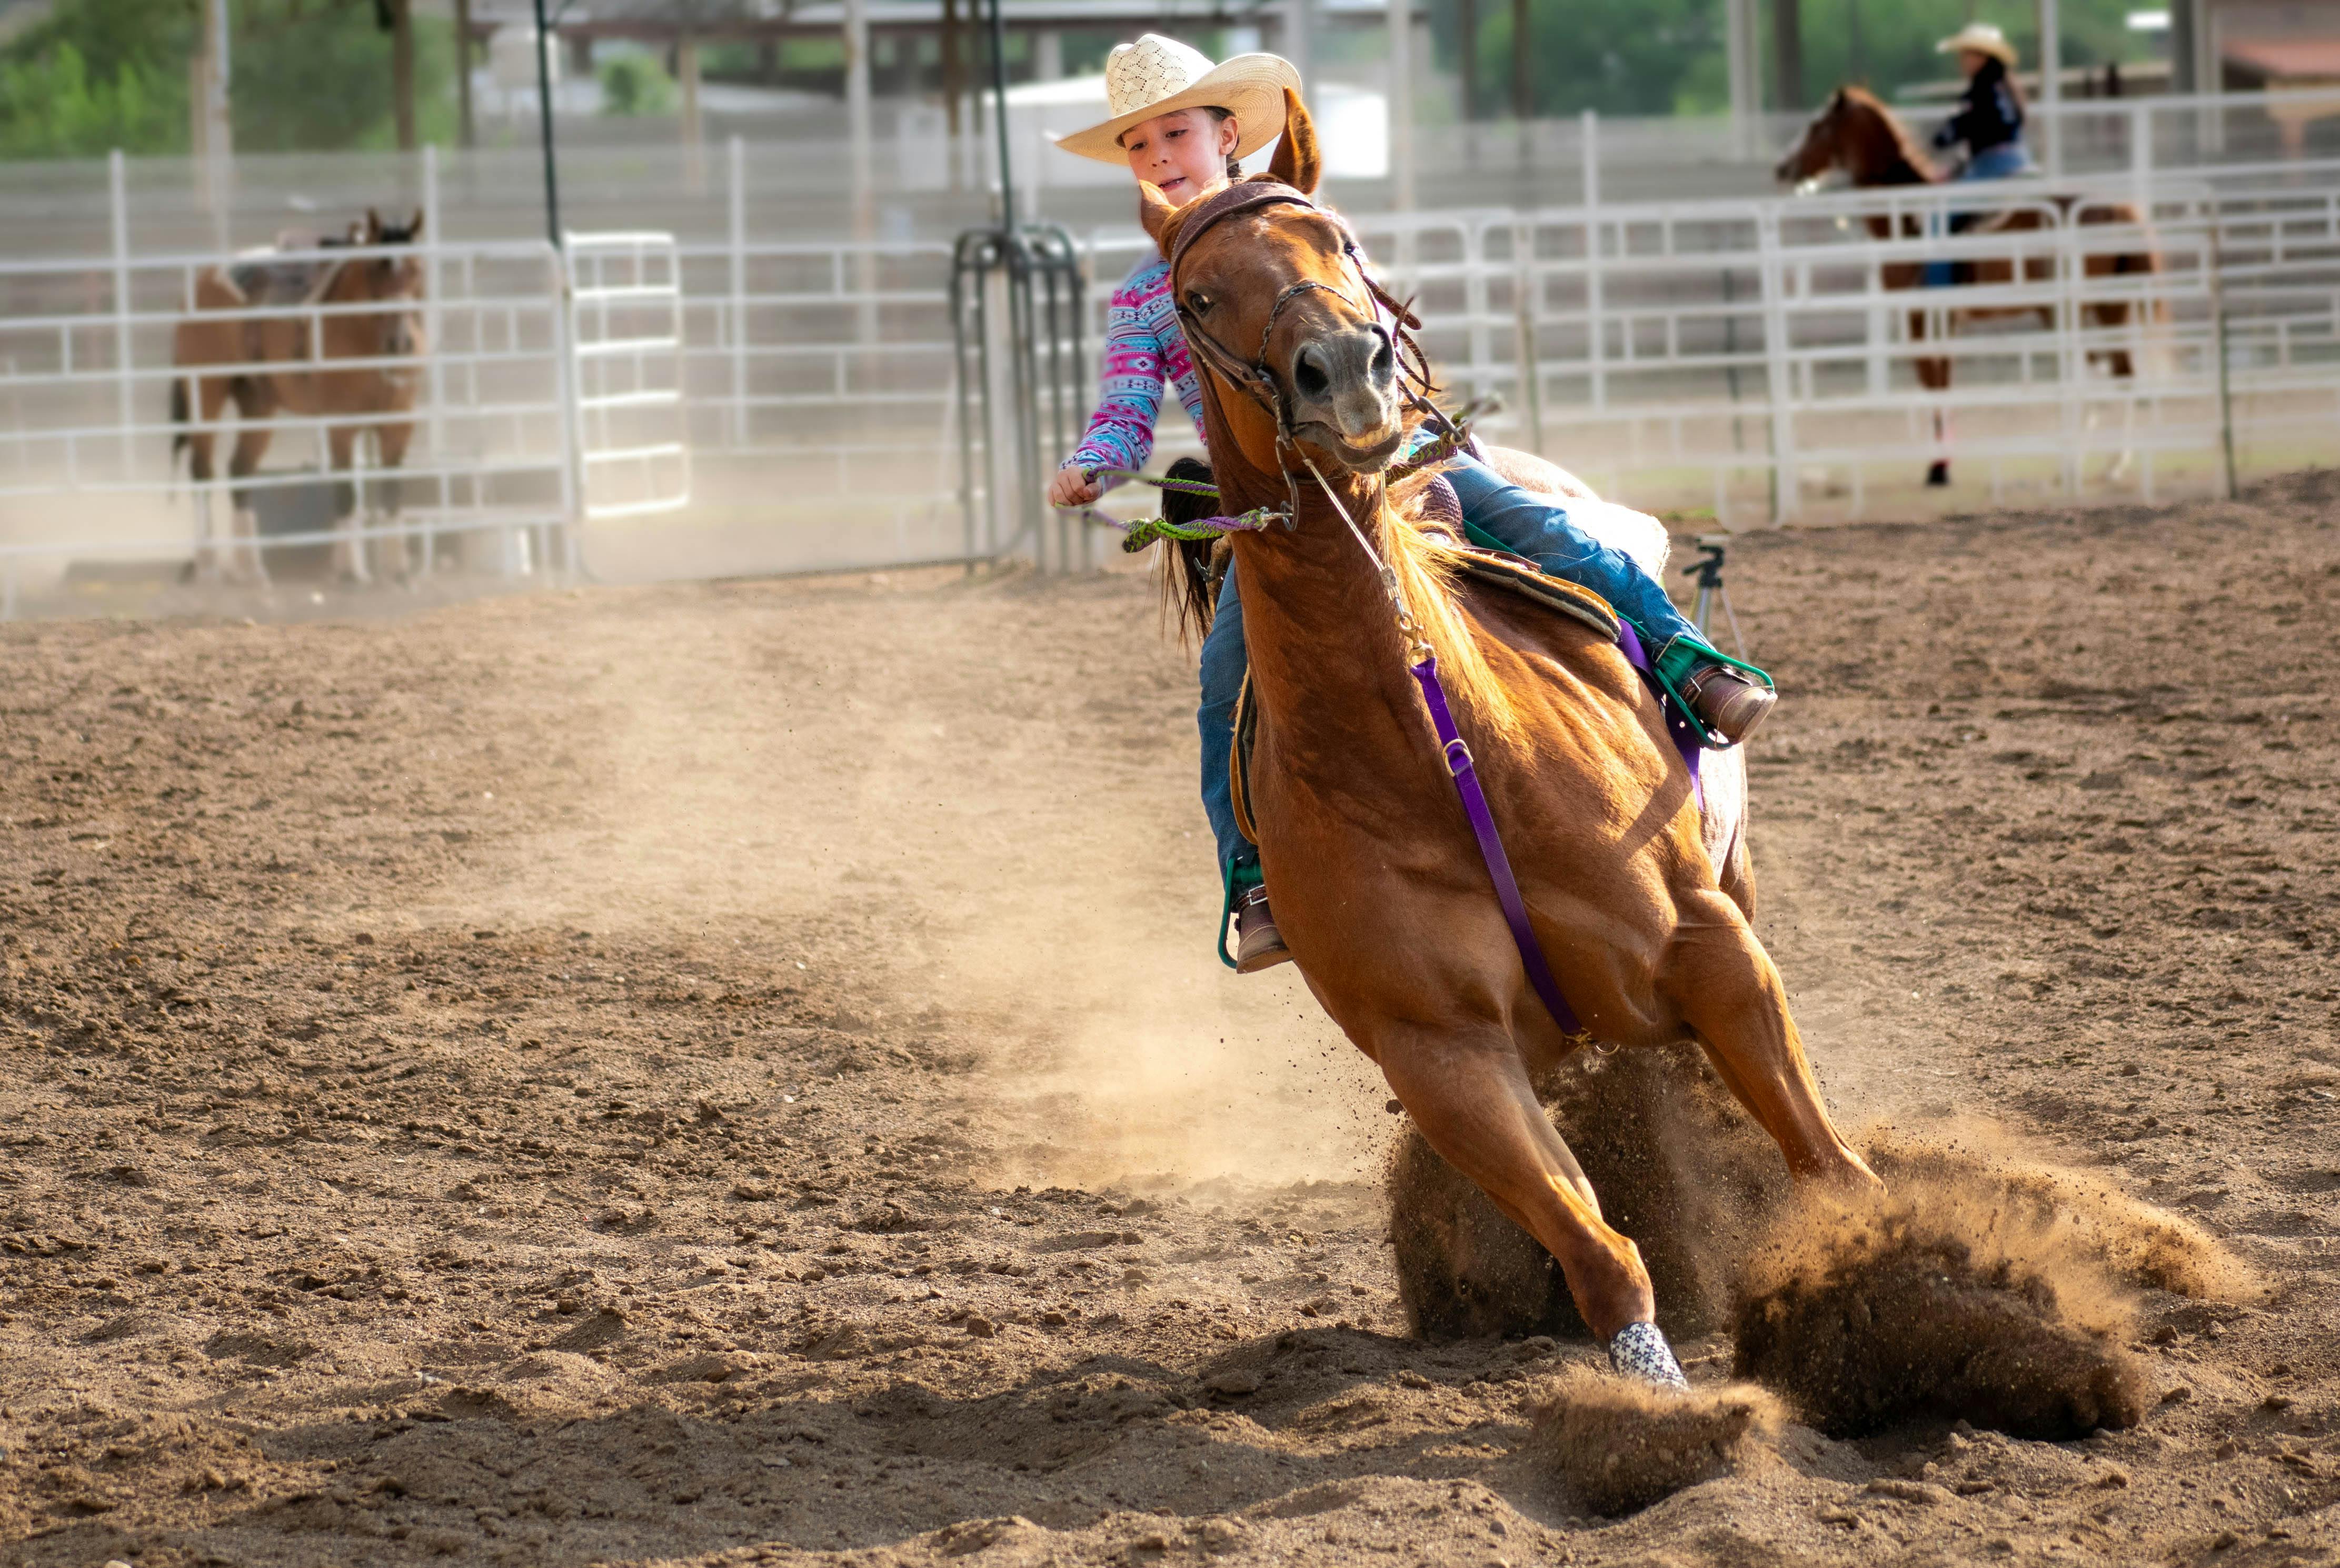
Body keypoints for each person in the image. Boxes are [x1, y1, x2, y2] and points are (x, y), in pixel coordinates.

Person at [1049, 35, 1775, 973]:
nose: (1158, 158)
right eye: (1138, 146)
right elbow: (1126, 409)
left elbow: (1371, 339)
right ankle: (1252, 874)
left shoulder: (1302, 226)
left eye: (1175, 133)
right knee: (1226, 683)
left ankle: (1685, 658)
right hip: (1280, 517)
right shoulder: (1150, 296)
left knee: (1537, 525)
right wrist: (1094, 463)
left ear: (1226, 134)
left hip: (1390, 463)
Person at [1925, 23, 2037, 287]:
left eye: (1967, 54)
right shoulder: (2003, 89)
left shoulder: (1982, 91)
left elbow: (1964, 129)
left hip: (1993, 167)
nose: (1962, 61)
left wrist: (1945, 136)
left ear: (1982, 58)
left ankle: (1938, 295)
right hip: (2018, 161)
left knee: (1937, 218)